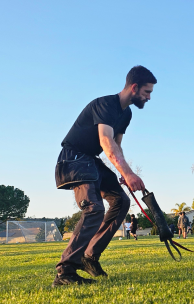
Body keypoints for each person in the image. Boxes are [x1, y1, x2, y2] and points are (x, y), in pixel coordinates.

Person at [52, 66, 156, 286]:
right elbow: (106, 141)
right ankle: (65, 272)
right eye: (147, 92)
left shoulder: (126, 114)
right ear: (134, 87)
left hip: (91, 161)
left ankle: (89, 256)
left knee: (121, 201)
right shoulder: (105, 104)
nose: (149, 97)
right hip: (74, 158)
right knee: (94, 208)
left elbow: (117, 145)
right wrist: (128, 173)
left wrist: (123, 172)